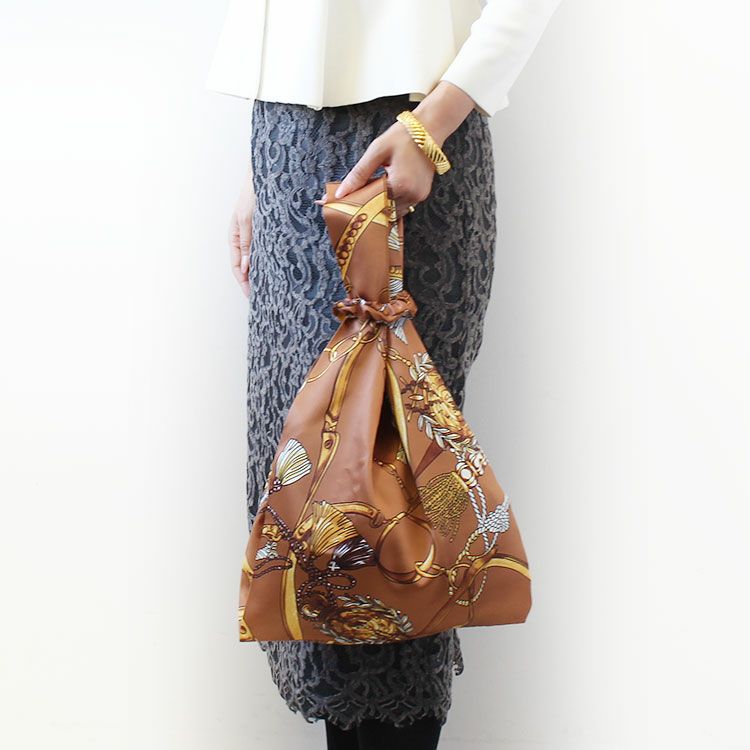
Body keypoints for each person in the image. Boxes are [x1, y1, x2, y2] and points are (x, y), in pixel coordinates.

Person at [207, 1, 561, 747]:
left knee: (386, 505)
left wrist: (434, 122)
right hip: (288, 145)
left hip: (403, 146)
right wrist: (256, 174)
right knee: (311, 511)